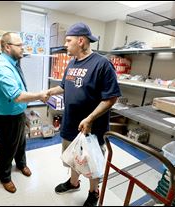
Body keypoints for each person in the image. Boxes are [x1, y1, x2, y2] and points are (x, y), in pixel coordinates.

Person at [47, 22, 122, 206]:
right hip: (70, 123)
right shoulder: (72, 63)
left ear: (81, 41)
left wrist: (89, 118)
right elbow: (64, 86)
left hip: (92, 128)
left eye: (68, 40)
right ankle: (73, 183)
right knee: (73, 158)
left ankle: (93, 192)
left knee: (91, 164)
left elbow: (111, 98)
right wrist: (48, 92)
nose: (65, 44)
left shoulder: (102, 64)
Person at [0, 32, 48, 193]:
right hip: (6, 117)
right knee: (7, 148)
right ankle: (5, 176)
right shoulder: (1, 67)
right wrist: (39, 95)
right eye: (19, 45)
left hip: (17, 114)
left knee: (21, 143)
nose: (23, 48)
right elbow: (16, 95)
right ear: (8, 47)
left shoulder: (13, 63)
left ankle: (21, 164)